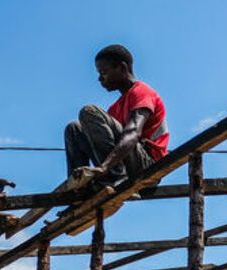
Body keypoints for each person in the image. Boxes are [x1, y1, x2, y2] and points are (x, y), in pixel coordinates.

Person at [64, 44, 169, 184]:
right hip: (127, 163)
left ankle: (114, 176)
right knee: (74, 128)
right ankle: (79, 184)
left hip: (149, 167)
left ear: (122, 68)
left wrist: (105, 167)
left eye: (103, 72)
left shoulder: (142, 93)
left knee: (89, 111)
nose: (100, 79)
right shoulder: (114, 108)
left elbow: (133, 133)